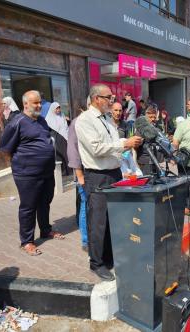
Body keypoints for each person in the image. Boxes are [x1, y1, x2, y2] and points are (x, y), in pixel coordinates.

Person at [75, 84, 142, 281]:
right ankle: (96, 263)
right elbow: (97, 148)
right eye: (108, 97)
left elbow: (114, 148)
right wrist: (123, 143)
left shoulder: (107, 120)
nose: (112, 101)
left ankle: (109, 257)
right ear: (97, 98)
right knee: (98, 222)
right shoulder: (85, 121)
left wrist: (128, 149)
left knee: (114, 219)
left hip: (115, 173)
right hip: (97, 176)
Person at [0, 90, 64, 256]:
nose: (39, 106)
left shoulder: (42, 120)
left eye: (40, 102)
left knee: (45, 203)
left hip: (47, 172)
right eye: (35, 103)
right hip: (27, 174)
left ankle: (46, 230)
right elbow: (6, 150)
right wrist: (22, 164)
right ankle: (27, 241)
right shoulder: (17, 122)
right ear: (25, 104)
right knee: (28, 207)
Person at [67, 104, 88, 252]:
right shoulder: (78, 122)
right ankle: (86, 240)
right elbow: (73, 150)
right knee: (85, 206)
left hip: (97, 172)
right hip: (85, 173)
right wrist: (79, 175)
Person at [136, 104, 163, 175]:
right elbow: (135, 148)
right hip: (145, 163)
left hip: (156, 162)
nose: (153, 119)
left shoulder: (157, 127)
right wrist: (136, 163)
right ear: (146, 116)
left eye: (154, 117)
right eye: (150, 117)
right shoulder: (141, 129)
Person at [46, 102, 71, 176]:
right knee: (59, 156)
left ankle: (68, 171)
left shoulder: (62, 115)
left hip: (65, 138)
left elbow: (65, 127)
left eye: (59, 108)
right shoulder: (48, 118)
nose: (58, 110)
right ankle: (62, 172)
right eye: (57, 108)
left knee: (66, 155)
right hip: (56, 139)